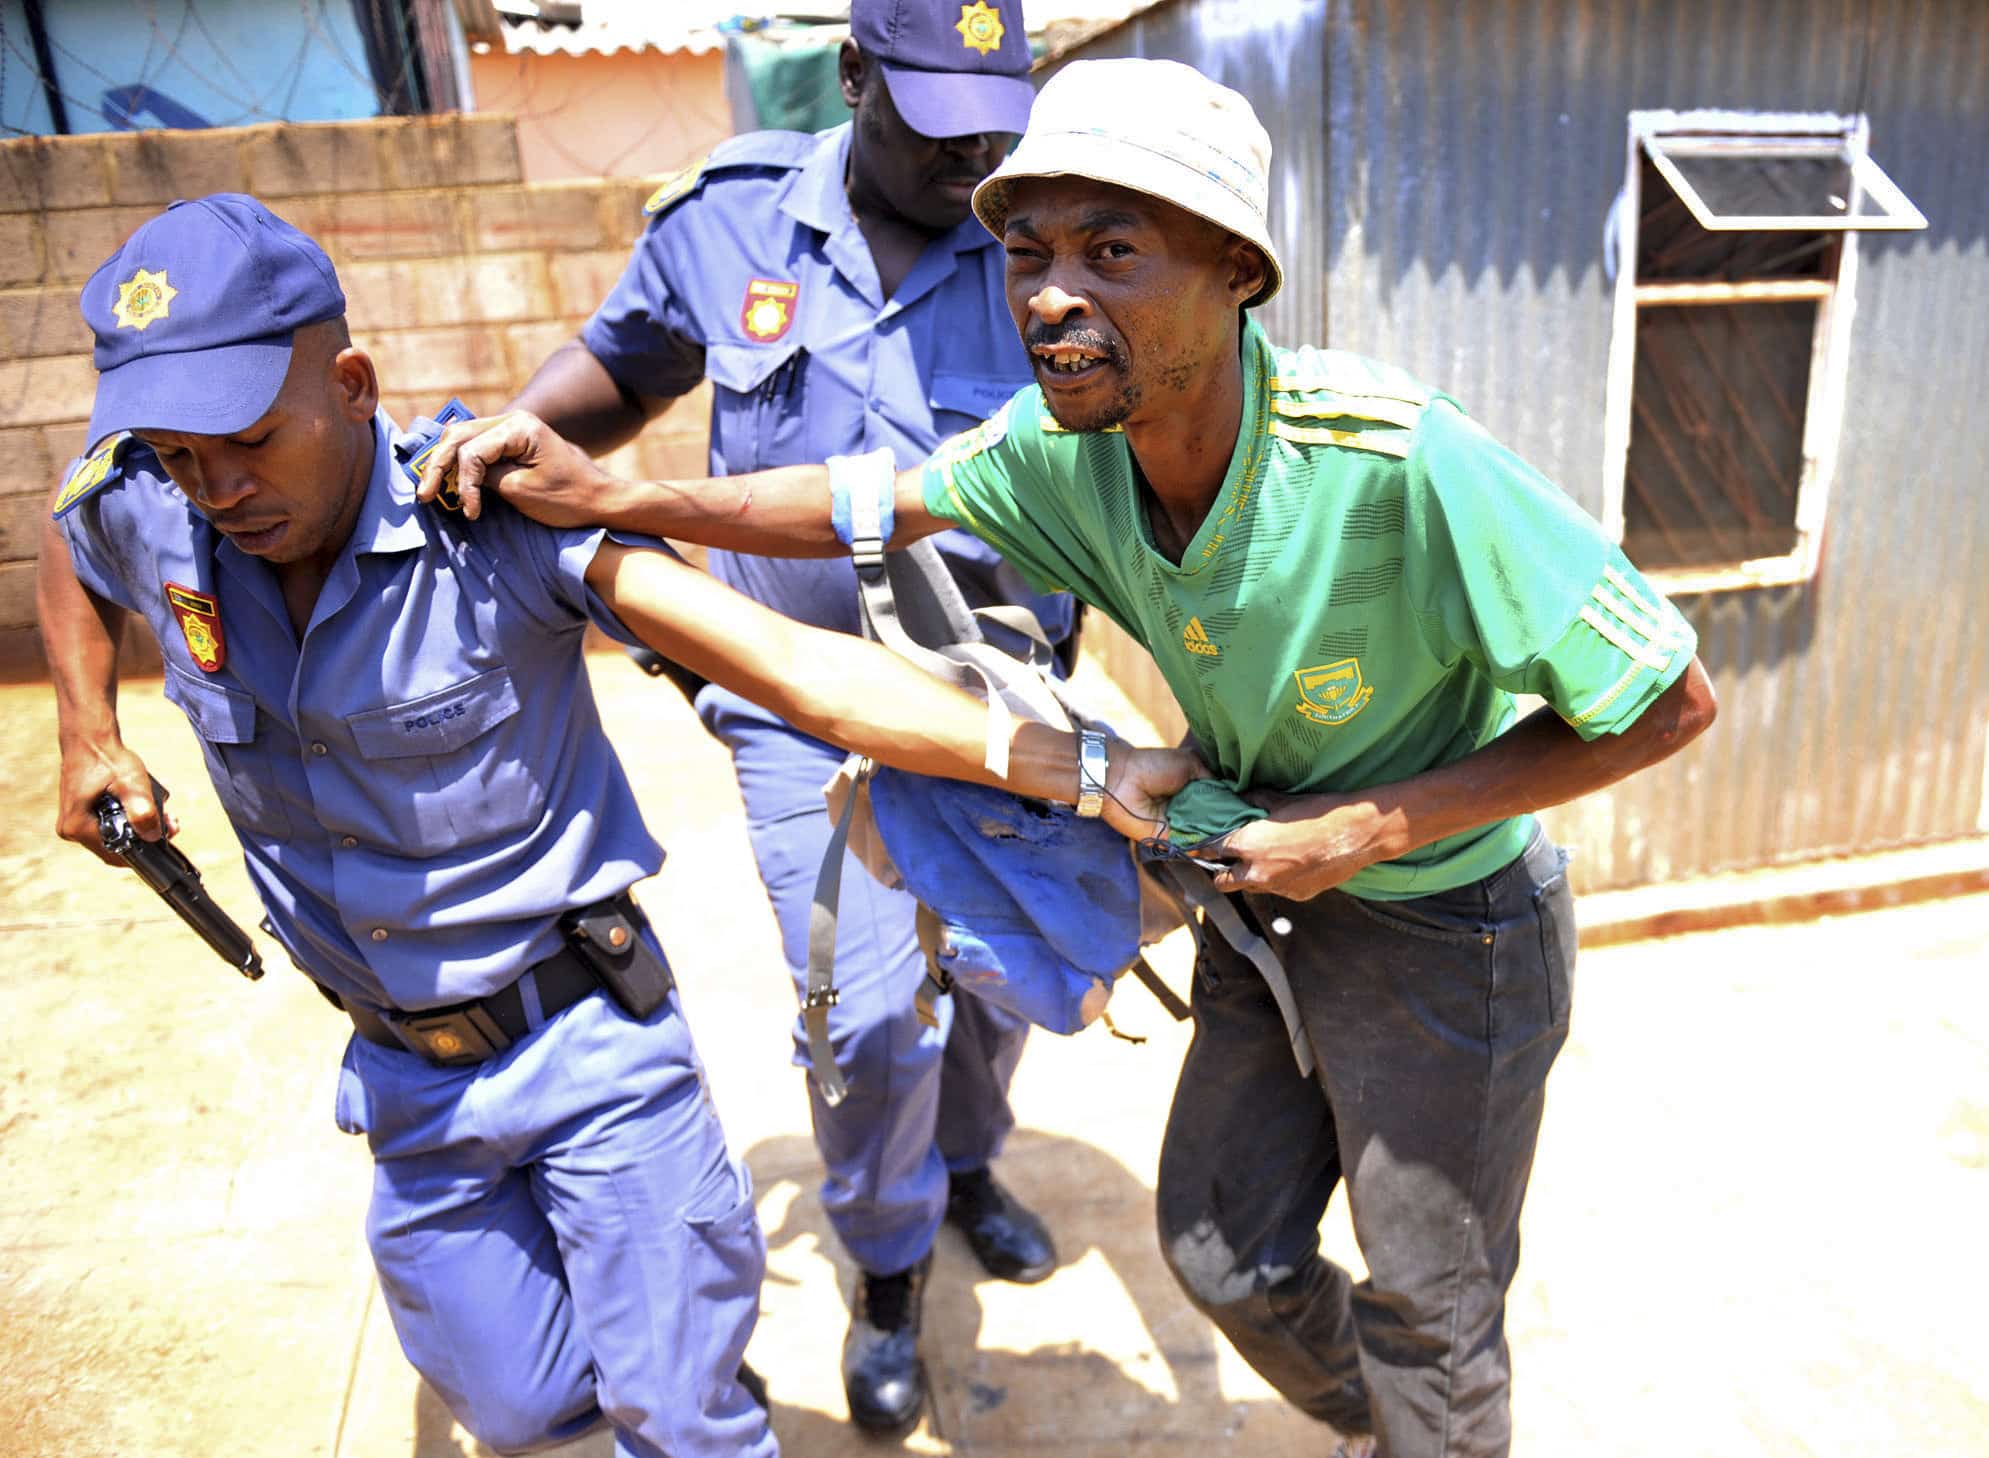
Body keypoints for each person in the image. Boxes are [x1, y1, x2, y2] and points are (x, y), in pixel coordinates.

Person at [420, 57, 1721, 1458]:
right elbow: (857, 503)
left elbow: (1669, 699)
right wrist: (625, 492)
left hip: (1446, 931)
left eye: (1112, 251)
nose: (1050, 293)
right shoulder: (1063, 451)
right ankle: (1401, 1427)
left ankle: (1426, 1422)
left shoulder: (1394, 461)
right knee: (1222, 1251)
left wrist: (1366, 827)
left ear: (1236, 272)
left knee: (1431, 1308)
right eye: (1027, 252)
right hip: (1266, 904)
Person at [36, 195, 1194, 1458]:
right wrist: (86, 728)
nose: (219, 488)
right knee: (521, 1406)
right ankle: (666, 1327)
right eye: (180, 453)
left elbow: (800, 672)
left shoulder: (491, 524)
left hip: (588, 1048)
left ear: (354, 383)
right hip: (406, 1087)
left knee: (682, 1417)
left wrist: (1084, 766)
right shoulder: (155, 504)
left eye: (251, 441)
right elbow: (73, 539)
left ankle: (699, 1340)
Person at [503, 0, 1064, 1432]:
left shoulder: (1048, 234)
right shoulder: (728, 223)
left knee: (1003, 979)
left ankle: (969, 1160)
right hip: (799, 716)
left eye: (999, 118)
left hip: (999, 698)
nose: (977, 155)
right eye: (939, 123)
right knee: (870, 1016)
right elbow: (610, 389)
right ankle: (887, 1266)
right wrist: (513, 448)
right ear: (857, 74)